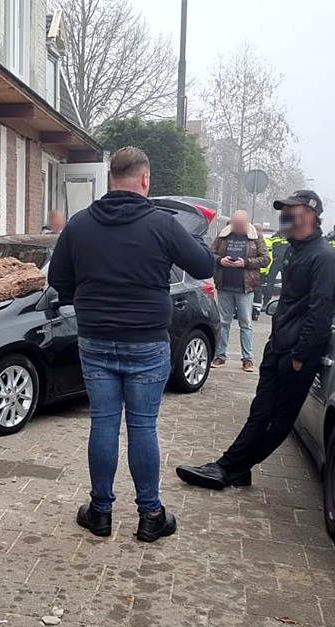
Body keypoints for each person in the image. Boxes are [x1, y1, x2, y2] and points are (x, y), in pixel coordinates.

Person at [48, 147, 214, 541]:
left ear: (110, 178)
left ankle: (101, 513)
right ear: (145, 179)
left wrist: (83, 300)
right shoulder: (162, 224)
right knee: (142, 427)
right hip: (146, 341)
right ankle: (150, 516)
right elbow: (204, 266)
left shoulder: (80, 223)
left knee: (103, 423)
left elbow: (58, 278)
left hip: (96, 338)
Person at [176, 189, 335, 490]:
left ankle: (228, 468)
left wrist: (300, 354)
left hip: (297, 353)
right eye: (284, 211)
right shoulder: (295, 249)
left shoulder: (324, 257)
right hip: (278, 345)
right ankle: (234, 469)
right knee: (260, 411)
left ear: (311, 215)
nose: (286, 216)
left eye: (293, 211)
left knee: (279, 419)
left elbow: (320, 312)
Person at [211, 210, 270, 372]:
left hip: (245, 288)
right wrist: (221, 260)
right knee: (223, 323)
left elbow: (265, 259)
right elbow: (210, 252)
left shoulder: (256, 237)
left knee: (246, 323)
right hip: (224, 286)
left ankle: (247, 358)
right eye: (235, 224)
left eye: (241, 225)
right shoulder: (223, 235)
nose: (238, 228)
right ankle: (220, 355)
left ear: (247, 223)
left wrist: (245, 262)